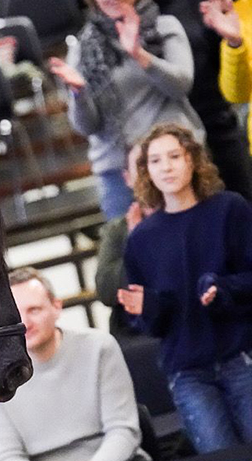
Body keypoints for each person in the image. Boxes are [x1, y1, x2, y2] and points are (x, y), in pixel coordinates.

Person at [119, 123, 252, 461]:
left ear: (193, 160)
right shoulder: (141, 238)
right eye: (156, 160)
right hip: (189, 374)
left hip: (242, 357)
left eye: (174, 156)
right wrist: (147, 307)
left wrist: (223, 289)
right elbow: (151, 326)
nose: (166, 166)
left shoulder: (230, 209)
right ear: (146, 172)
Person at [0, 269, 146, 461]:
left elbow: (123, 431)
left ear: (56, 307)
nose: (24, 323)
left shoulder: (99, 348)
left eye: (34, 310)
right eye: (14, 315)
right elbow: (5, 460)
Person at [49, 0, 205, 220]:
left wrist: (140, 55)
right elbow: (86, 126)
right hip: (118, 172)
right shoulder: (83, 47)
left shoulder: (164, 26)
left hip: (173, 161)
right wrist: (79, 93)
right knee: (129, 250)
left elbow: (181, 86)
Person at [151, 0, 252, 200]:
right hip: (162, 142)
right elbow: (236, 90)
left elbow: (233, 91)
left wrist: (232, 42)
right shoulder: (121, 14)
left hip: (218, 124)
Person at [95, 143, 152, 338]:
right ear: (127, 177)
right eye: (141, 167)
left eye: (153, 163)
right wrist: (137, 242)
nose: (150, 173)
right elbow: (107, 291)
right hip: (138, 333)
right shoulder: (119, 229)